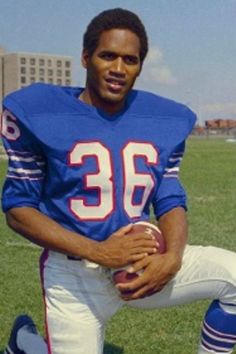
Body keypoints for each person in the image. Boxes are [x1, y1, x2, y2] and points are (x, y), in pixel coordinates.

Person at [1, 7, 236, 354]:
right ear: (85, 57)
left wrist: (171, 258)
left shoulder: (164, 119)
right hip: (74, 277)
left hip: (141, 266)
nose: (118, 68)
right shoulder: (38, 111)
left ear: (140, 65)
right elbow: (19, 209)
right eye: (107, 56)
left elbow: (169, 197)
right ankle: (27, 344)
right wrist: (100, 251)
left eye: (130, 59)